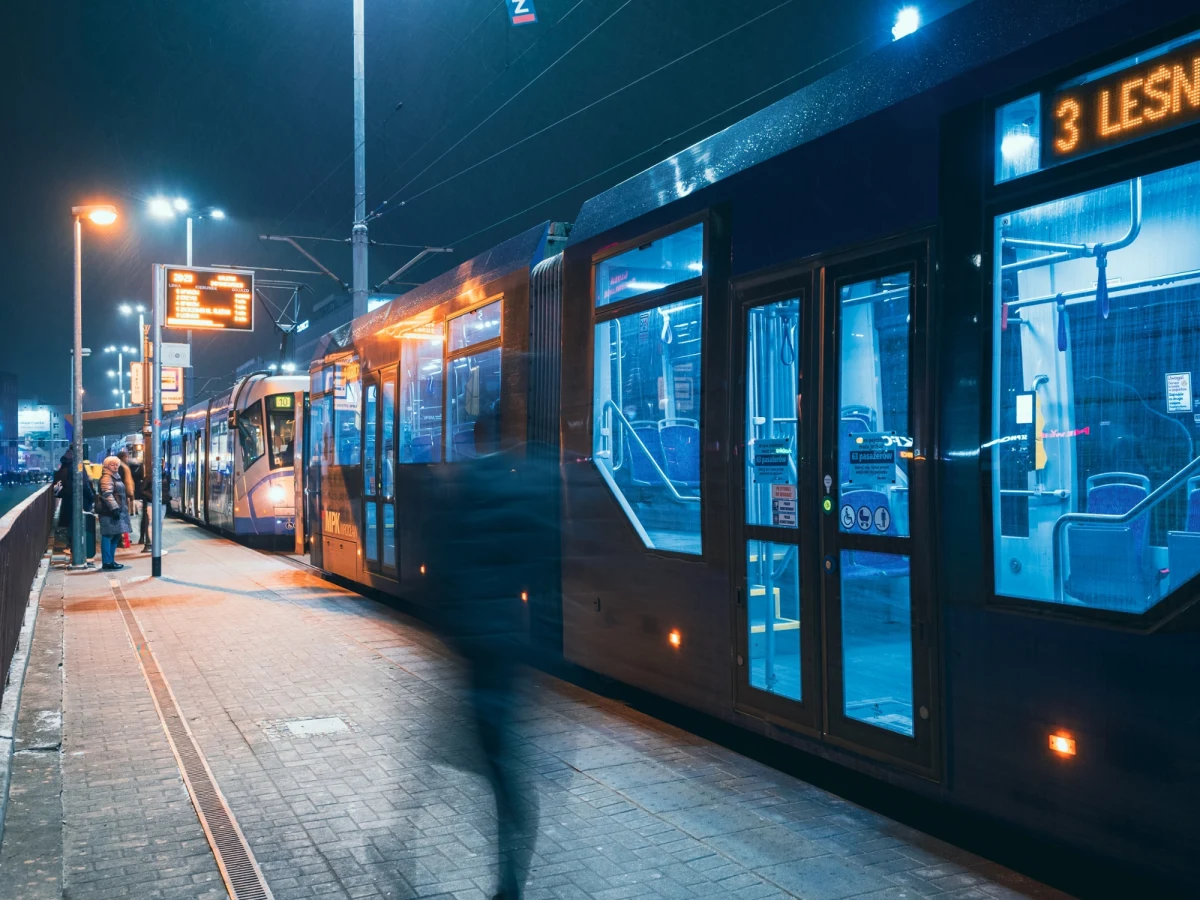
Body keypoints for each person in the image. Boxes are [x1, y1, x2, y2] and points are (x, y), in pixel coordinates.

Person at [423, 429, 558, 900]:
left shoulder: (466, 487)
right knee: (502, 765)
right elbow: (543, 561)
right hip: (508, 649)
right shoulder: (525, 487)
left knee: (487, 760)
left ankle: (508, 880)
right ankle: (510, 877)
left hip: (473, 648)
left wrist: (449, 629)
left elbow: (441, 568)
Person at [53, 449, 95, 558]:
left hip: (68, 499)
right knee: (81, 523)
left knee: (72, 523)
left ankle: (72, 547)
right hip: (80, 499)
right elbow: (84, 484)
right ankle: (78, 551)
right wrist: (92, 497)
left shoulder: (64, 465)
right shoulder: (76, 465)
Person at [98, 456, 131, 571]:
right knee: (108, 536)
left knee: (115, 536)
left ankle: (111, 560)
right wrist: (114, 509)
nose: (115, 466)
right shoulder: (107, 477)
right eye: (112, 464)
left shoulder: (115, 477)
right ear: (107, 466)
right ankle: (107, 562)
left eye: (117, 464)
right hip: (109, 512)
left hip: (116, 511)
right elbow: (107, 494)